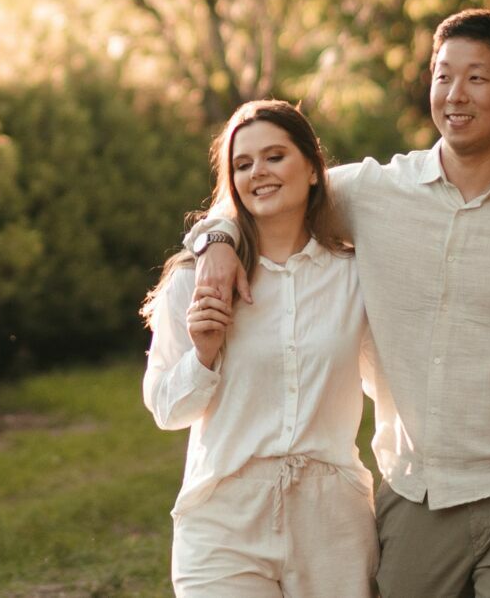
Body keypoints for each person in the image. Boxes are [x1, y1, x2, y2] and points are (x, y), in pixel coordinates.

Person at [184, 9, 490, 597]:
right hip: (417, 491)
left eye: (477, 79)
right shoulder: (373, 193)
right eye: (442, 76)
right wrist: (216, 240)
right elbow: (265, 186)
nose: (454, 95)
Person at [143, 99, 376, 598]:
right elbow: (166, 409)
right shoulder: (194, 280)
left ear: (314, 169)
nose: (258, 173)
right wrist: (203, 355)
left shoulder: (354, 276)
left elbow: (398, 373)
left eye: (274, 156)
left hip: (332, 520)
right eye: (242, 164)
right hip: (224, 519)